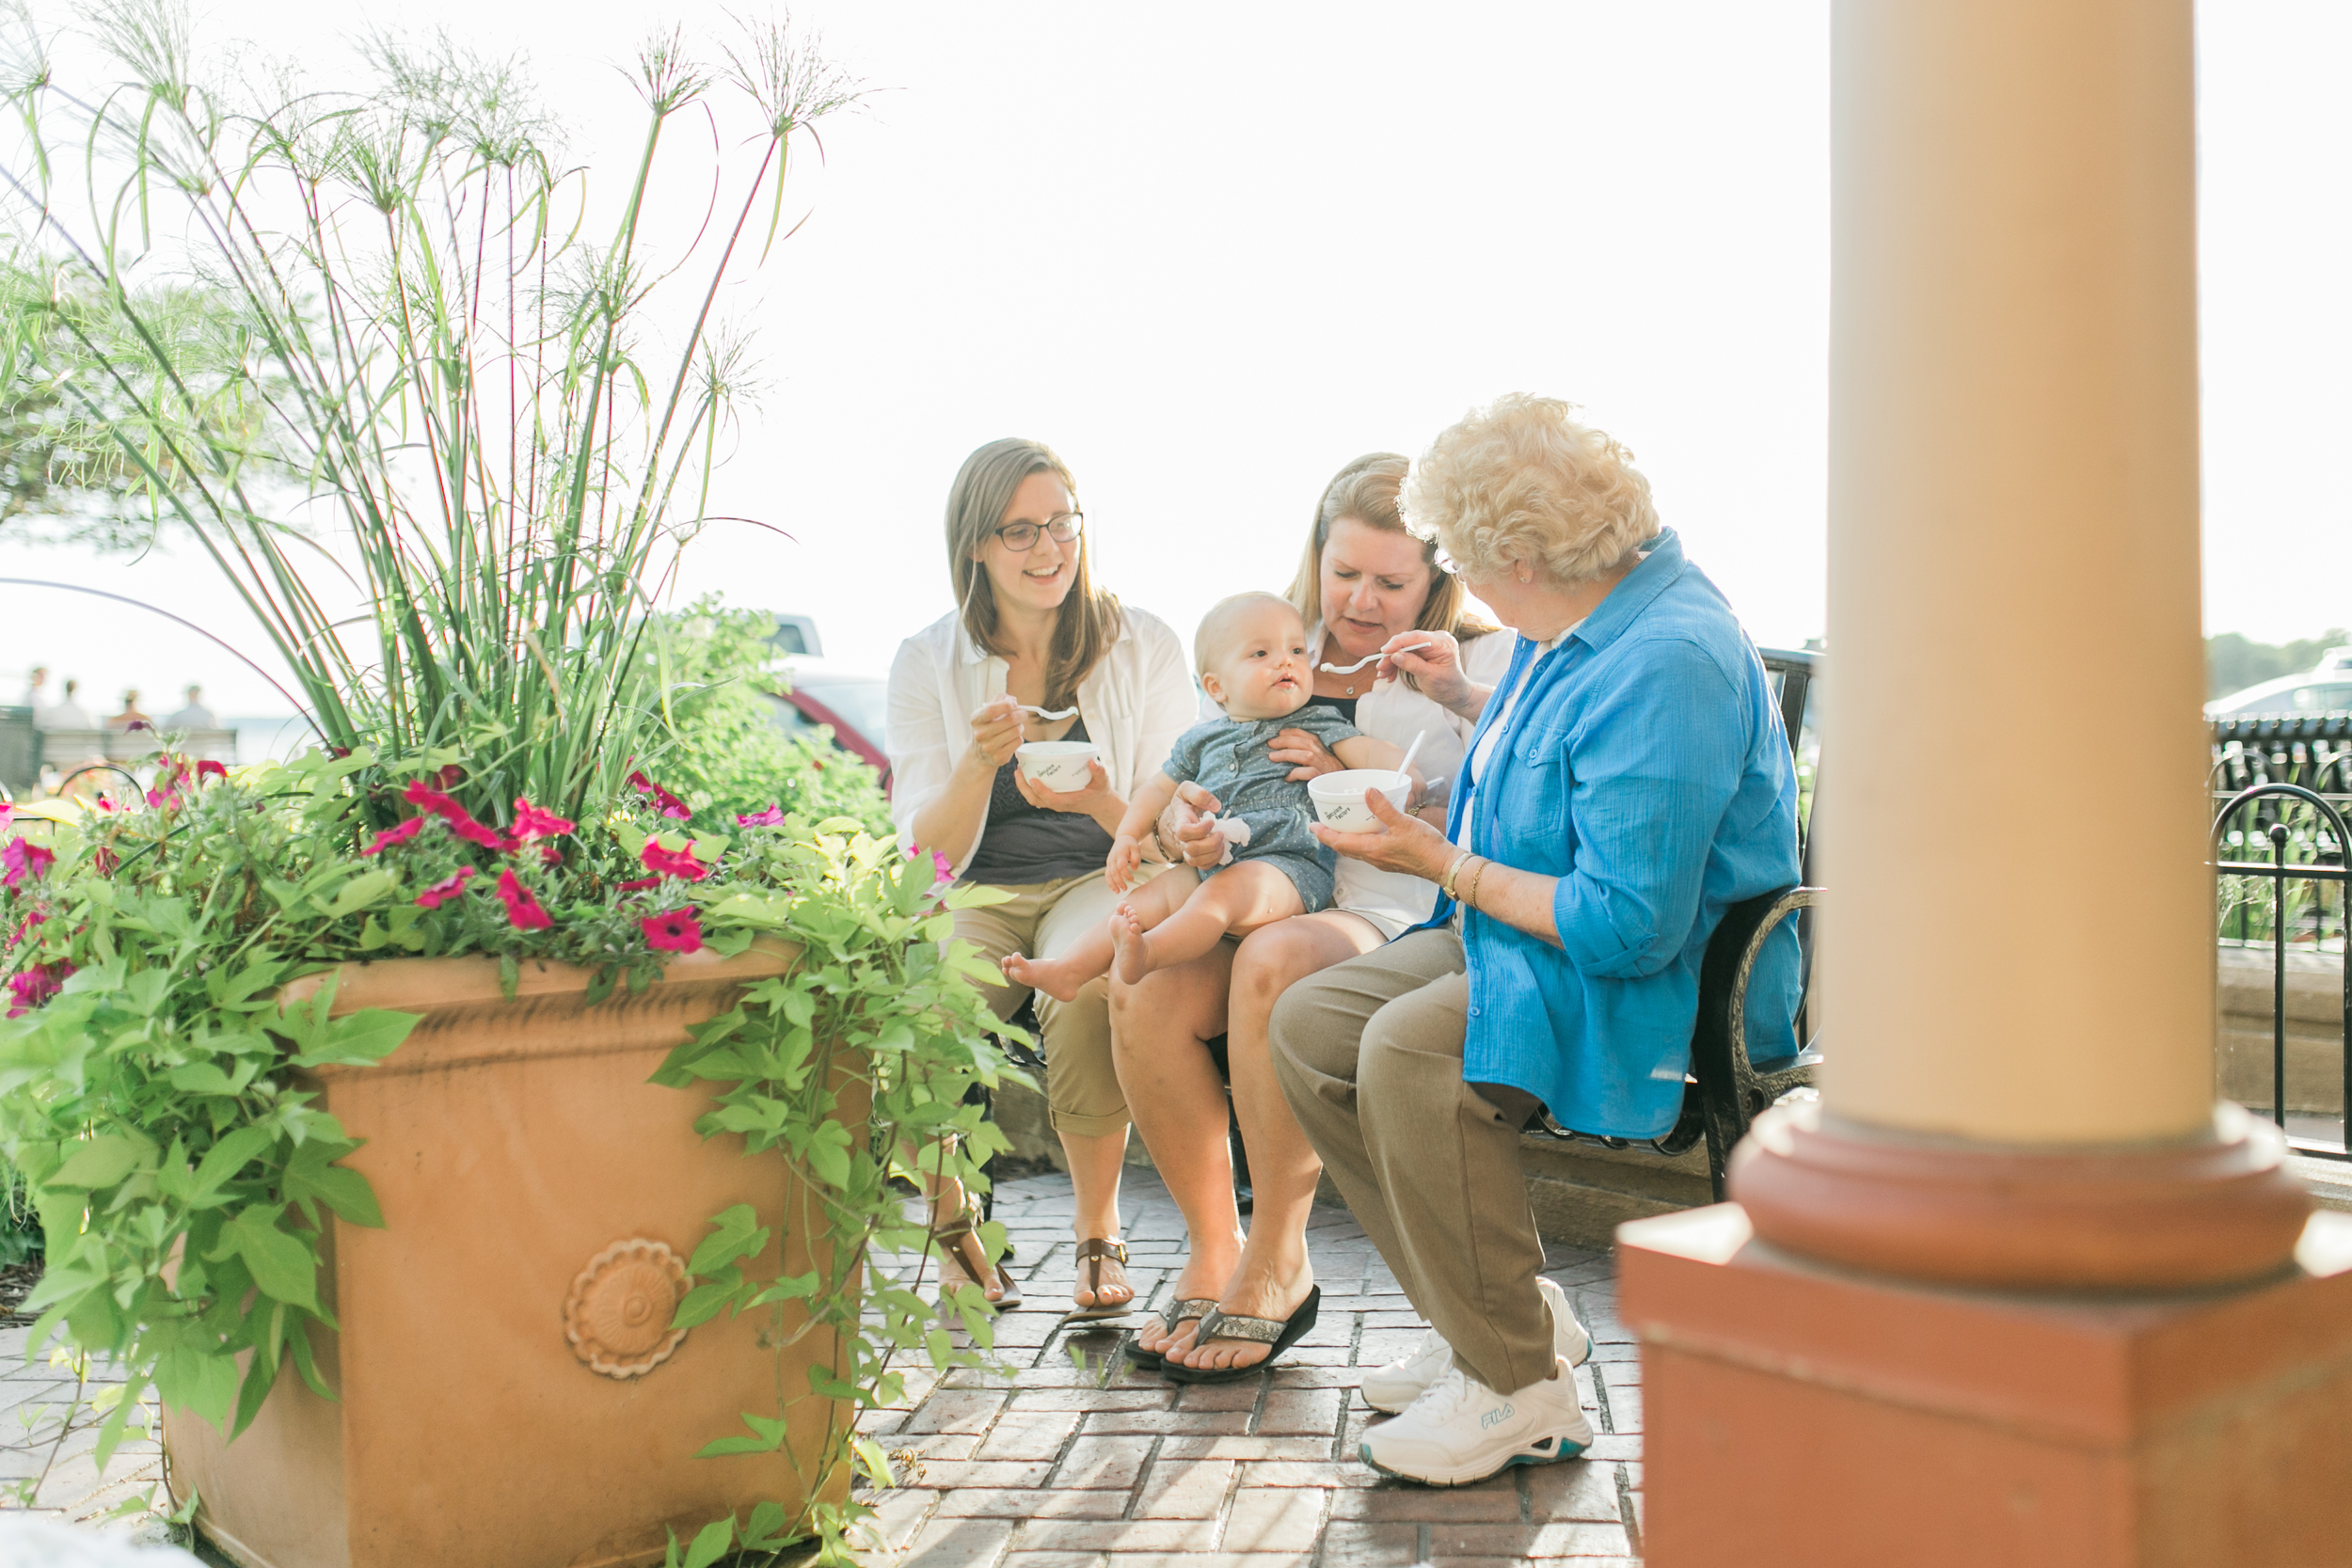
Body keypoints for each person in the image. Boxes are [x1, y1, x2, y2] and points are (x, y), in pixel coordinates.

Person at [1268, 395, 1802, 1484]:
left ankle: (1521, 1389)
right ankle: (1499, 1318)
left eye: (1463, 553)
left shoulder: (1670, 657)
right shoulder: (1581, 620)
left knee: (1409, 1050)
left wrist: (1443, 866)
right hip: (1529, 931)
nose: (1460, 571)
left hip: (1668, 973)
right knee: (1312, 1022)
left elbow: (1624, 926)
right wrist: (1449, 751)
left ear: (1520, 551)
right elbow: (1547, 788)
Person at [1109, 453, 1517, 1381]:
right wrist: (1186, 826)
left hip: (1386, 908)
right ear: (1316, 554)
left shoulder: (1469, 664)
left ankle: (1277, 1259)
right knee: (1146, 980)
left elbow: (1523, 792)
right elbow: (1188, 780)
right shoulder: (1260, 638)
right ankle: (1216, 1246)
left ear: (1438, 576)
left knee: (1275, 958)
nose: (1362, 599)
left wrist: (1409, 784)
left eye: (1391, 580)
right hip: (1251, 881)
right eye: (1344, 572)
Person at [886, 436, 1198, 1317]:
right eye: (1020, 531)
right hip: (975, 891)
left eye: (1062, 522)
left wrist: (1107, 804)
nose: (1050, 549)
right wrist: (976, 767)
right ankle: (956, 1234)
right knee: (922, 1006)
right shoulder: (928, 659)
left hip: (1096, 875)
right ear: (976, 546)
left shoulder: (1145, 644)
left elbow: (1170, 826)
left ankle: (1098, 1231)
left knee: (1091, 988)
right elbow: (926, 851)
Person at [1005, 594, 1406, 1004]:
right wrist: (1127, 836)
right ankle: (1071, 970)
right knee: (1147, 898)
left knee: (1221, 893)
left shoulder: (1317, 723)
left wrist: (1407, 772)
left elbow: (1370, 753)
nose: (1286, 661)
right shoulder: (1202, 738)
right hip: (1213, 861)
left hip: (1288, 871)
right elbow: (1157, 790)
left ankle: (1150, 952)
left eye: (1297, 649)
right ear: (1216, 687)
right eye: (1261, 652)